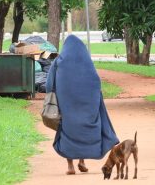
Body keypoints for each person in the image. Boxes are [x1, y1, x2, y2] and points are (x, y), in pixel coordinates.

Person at [46, 35, 119, 175]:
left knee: (68, 130)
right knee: (83, 129)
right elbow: (96, 82)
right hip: (86, 104)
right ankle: (82, 161)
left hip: (66, 104)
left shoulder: (58, 62)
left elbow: (49, 84)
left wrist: (52, 95)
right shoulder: (87, 62)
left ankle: (70, 166)